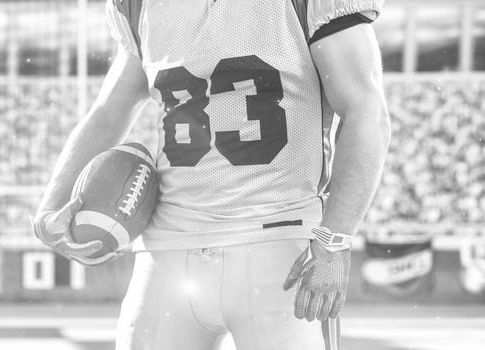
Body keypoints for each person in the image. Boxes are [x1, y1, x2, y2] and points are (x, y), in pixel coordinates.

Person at [31, 0, 390, 348]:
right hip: (169, 249)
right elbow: (109, 112)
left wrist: (334, 240)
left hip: (279, 245)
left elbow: (365, 109)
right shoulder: (140, 6)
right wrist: (49, 212)